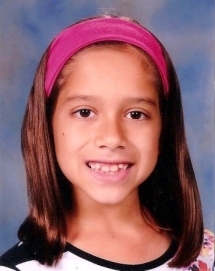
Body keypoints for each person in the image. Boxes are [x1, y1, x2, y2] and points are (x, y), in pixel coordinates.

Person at [0, 15, 214, 271]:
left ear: (164, 128)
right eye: (85, 112)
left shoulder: (204, 253)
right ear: (47, 125)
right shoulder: (23, 268)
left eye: (136, 114)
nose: (112, 138)